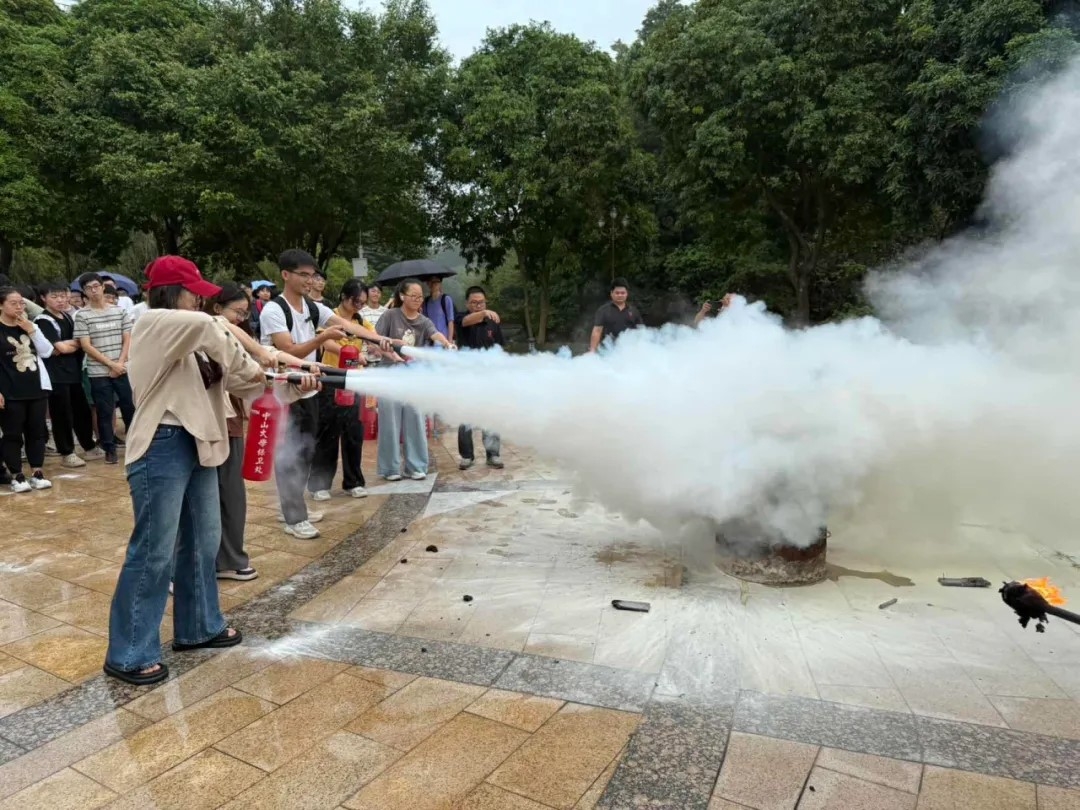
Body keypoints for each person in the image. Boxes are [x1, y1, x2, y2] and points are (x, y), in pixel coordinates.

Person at [104, 256, 317, 686]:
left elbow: (246, 383)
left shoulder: (199, 336)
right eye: (193, 293)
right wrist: (261, 353)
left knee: (203, 541)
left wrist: (291, 380)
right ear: (171, 292)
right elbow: (214, 329)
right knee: (154, 551)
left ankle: (199, 627)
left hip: (203, 441)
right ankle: (128, 654)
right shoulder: (154, 323)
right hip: (162, 443)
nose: (200, 302)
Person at [259, 249, 389, 539]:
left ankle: (292, 507)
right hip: (284, 391)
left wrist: (381, 339)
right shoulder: (274, 310)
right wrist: (322, 338)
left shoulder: (312, 307)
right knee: (290, 452)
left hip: (309, 388)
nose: (310, 281)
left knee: (306, 449)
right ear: (285, 275)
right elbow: (288, 351)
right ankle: (294, 518)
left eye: (312, 275)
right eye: (303, 275)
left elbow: (347, 325)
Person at [375, 278, 456, 481]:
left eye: (420, 297)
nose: (418, 300)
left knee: (416, 420)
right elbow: (374, 341)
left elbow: (435, 334)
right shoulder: (390, 315)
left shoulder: (423, 320)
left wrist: (447, 344)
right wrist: (387, 350)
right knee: (390, 423)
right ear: (402, 296)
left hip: (413, 376)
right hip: (389, 376)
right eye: (413, 296)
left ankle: (417, 466)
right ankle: (390, 469)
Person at [309, 278, 376, 502]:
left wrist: (387, 348)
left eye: (363, 303)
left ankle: (353, 482)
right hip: (331, 379)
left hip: (354, 382)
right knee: (327, 433)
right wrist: (351, 355)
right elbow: (326, 342)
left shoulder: (360, 322)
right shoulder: (329, 316)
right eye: (356, 301)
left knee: (354, 433)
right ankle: (320, 484)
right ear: (344, 297)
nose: (359, 306)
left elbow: (373, 339)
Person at [35, 281, 101, 467]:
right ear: (43, 298)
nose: (60, 300)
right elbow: (60, 348)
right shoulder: (43, 320)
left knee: (82, 411)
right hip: (56, 374)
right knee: (62, 414)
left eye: (63, 296)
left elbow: (81, 342)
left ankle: (88, 446)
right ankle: (67, 452)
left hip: (74, 372)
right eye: (54, 297)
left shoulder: (67, 316)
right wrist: (75, 344)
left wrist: (73, 344)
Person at [74, 272, 135, 464]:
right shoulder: (82, 315)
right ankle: (109, 448)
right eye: (88, 288)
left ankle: (136, 446)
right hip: (98, 372)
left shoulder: (119, 311)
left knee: (129, 407)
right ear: (84, 292)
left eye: (96, 286)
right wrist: (111, 364)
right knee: (105, 411)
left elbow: (127, 338)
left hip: (122, 368)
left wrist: (120, 363)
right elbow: (86, 345)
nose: (93, 291)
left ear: (102, 287)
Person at [0, 287, 54, 492]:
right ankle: (17, 475)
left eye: (21, 303)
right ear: (1, 305)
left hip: (36, 388)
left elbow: (47, 351)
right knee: (12, 434)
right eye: (13, 303)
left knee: (37, 432)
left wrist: (32, 330)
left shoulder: (30, 325)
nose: (19, 307)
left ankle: (37, 472)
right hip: (10, 391)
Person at [454, 285, 505, 470]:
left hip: (489, 376)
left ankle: (493, 454)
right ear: (467, 304)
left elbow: (500, 346)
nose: (478, 305)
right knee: (466, 416)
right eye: (474, 302)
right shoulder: (461, 318)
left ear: (486, 302)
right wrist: (483, 313)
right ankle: (467, 456)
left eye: (481, 302)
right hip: (467, 376)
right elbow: (467, 321)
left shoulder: (492, 322)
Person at [589, 277, 643, 352]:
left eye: (622, 293)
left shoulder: (634, 311)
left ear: (627, 294)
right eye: (617, 293)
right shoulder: (603, 310)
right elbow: (597, 331)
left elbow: (640, 331)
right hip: (607, 350)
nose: (620, 295)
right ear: (611, 293)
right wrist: (592, 351)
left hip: (629, 351)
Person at [422, 277, 455, 343]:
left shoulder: (446, 299)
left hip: (444, 338)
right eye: (431, 282)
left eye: (436, 282)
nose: (434, 285)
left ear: (440, 284)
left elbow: (450, 321)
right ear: (428, 284)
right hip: (431, 338)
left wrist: (450, 339)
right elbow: (425, 321)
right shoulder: (426, 301)